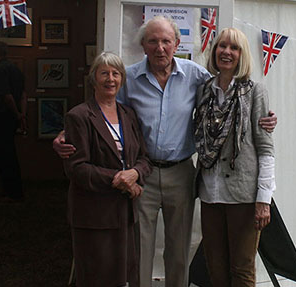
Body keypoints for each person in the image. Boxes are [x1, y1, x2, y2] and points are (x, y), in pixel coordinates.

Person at [54, 16, 278, 287]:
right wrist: (68, 133)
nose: (160, 47)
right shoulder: (129, 79)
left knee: (179, 251)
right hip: (142, 174)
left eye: (165, 41)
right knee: (140, 249)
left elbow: (230, 95)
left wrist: (265, 119)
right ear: (144, 46)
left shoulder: (197, 76)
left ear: (176, 44)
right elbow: (102, 110)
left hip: (182, 173)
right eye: (153, 41)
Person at [194, 27, 276, 287]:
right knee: (215, 269)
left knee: (241, 270)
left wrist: (264, 199)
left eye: (234, 47)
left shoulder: (254, 91)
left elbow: (265, 147)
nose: (227, 52)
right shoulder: (204, 90)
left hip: (243, 196)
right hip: (210, 193)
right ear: (214, 50)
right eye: (222, 46)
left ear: (242, 55)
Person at [63, 52, 152, 287]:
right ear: (94, 79)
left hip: (125, 213)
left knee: (124, 277)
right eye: (104, 73)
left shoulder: (128, 114)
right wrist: (119, 178)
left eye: (115, 73)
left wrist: (135, 174)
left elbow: (143, 157)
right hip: (94, 214)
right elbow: (76, 168)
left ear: (122, 79)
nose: (110, 79)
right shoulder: (79, 116)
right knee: (96, 277)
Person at [0, 41, 28, 202]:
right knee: (8, 153)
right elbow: (23, 94)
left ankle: (12, 192)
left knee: (3, 154)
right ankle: (11, 190)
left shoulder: (0, 69)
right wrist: (22, 116)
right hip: (11, 118)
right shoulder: (16, 69)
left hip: (4, 117)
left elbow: (7, 96)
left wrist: (17, 114)